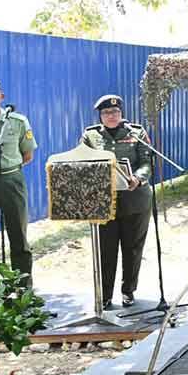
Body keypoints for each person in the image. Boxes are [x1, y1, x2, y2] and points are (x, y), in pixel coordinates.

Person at [81, 95, 153, 308]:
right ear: (100, 116)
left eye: (115, 112)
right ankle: (105, 295)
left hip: (135, 200)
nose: (111, 116)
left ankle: (128, 291)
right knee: (106, 250)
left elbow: (147, 162)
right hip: (104, 203)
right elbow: (82, 162)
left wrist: (138, 178)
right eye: (106, 113)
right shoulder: (90, 136)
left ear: (121, 113)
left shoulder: (136, 133)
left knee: (132, 249)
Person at [0, 79, 36, 284]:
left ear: (2, 97)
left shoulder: (17, 121)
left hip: (11, 180)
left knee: (18, 235)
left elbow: (28, 154)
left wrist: (8, 170)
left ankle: (23, 288)